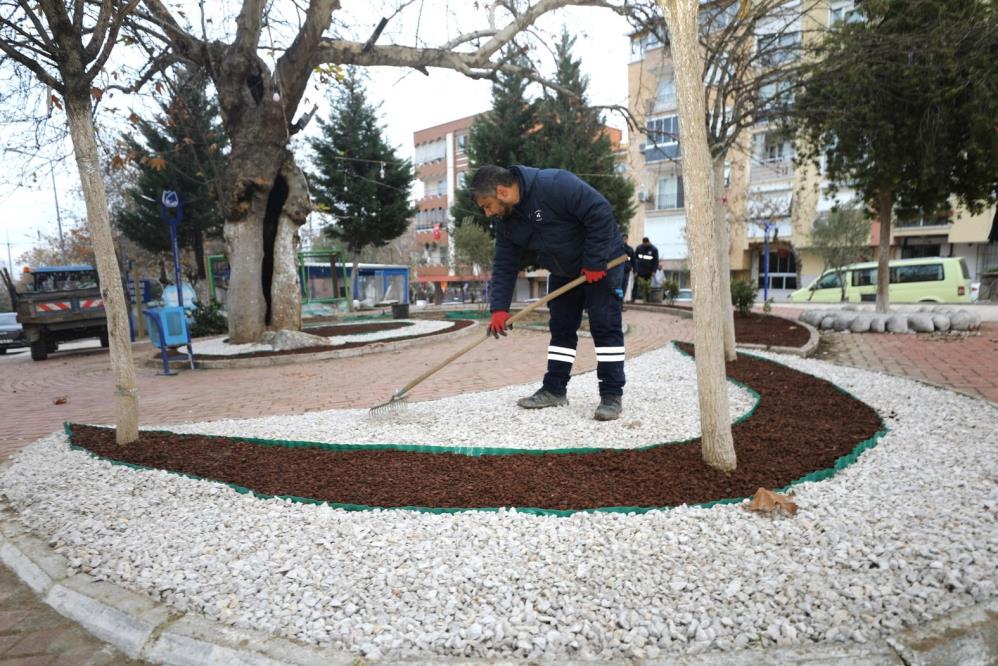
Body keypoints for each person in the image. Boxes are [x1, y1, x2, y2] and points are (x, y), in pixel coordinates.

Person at [471, 164, 627, 421]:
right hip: (564, 271)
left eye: (487, 205)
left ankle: (611, 395)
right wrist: (499, 308)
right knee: (562, 329)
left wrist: (595, 261)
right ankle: (554, 389)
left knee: (604, 327)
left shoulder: (555, 184)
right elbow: (504, 262)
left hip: (602, 264)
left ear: (501, 191)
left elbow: (599, 211)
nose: (488, 213)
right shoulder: (507, 220)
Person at [632, 237, 659, 301]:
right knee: (636, 284)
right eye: (644, 243)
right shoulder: (639, 248)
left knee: (647, 286)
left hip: (648, 271)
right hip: (639, 270)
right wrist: (635, 270)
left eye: (646, 243)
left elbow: (656, 261)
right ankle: (633, 298)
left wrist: (654, 271)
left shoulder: (654, 249)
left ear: (648, 242)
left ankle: (647, 299)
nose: (645, 245)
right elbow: (634, 259)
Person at [622, 234, 636, 308]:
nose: (624, 240)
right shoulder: (618, 248)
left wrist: (635, 270)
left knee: (624, 287)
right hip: (618, 271)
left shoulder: (630, 249)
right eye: (623, 239)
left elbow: (633, 260)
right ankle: (617, 305)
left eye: (625, 239)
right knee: (618, 288)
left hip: (626, 270)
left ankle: (620, 304)